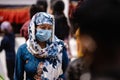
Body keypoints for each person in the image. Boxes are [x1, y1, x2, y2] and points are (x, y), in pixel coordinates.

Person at [14, 12, 69, 80]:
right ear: (34, 28)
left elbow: (68, 73)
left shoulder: (59, 47)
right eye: (43, 27)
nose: (46, 31)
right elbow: (17, 77)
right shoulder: (23, 50)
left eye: (49, 28)